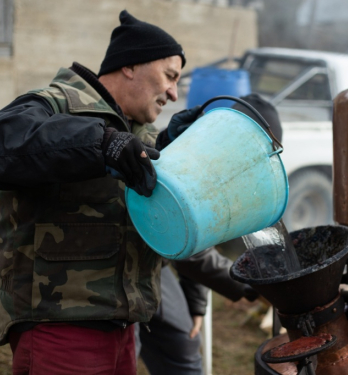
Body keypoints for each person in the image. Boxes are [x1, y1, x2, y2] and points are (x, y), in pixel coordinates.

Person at [0, 10, 201, 375]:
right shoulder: (54, 103)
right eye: (170, 76)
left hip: (124, 332)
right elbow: (7, 141)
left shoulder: (138, 136)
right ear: (130, 66)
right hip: (59, 331)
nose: (174, 92)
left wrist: (176, 148)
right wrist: (100, 143)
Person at [135, 93, 283, 375]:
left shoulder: (236, 167)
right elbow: (189, 242)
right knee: (136, 351)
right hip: (131, 259)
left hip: (158, 263)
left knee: (184, 347)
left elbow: (201, 234)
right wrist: (249, 286)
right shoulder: (201, 153)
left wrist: (196, 303)